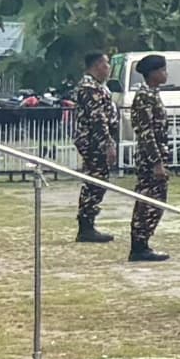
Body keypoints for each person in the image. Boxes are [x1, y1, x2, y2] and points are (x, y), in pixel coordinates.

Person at [121, 54, 173, 262]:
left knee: (156, 201)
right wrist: (156, 163)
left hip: (156, 154)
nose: (165, 73)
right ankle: (139, 245)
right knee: (148, 202)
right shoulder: (144, 96)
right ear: (152, 74)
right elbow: (146, 132)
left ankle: (143, 242)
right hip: (150, 159)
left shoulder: (152, 93)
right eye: (162, 70)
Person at [64, 59, 121, 242]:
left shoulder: (97, 86)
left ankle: (88, 224)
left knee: (98, 181)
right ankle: (86, 226)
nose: (108, 69)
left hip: (96, 140)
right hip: (93, 141)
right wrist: (107, 144)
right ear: (96, 66)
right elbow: (98, 119)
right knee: (95, 182)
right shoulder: (89, 88)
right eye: (106, 65)